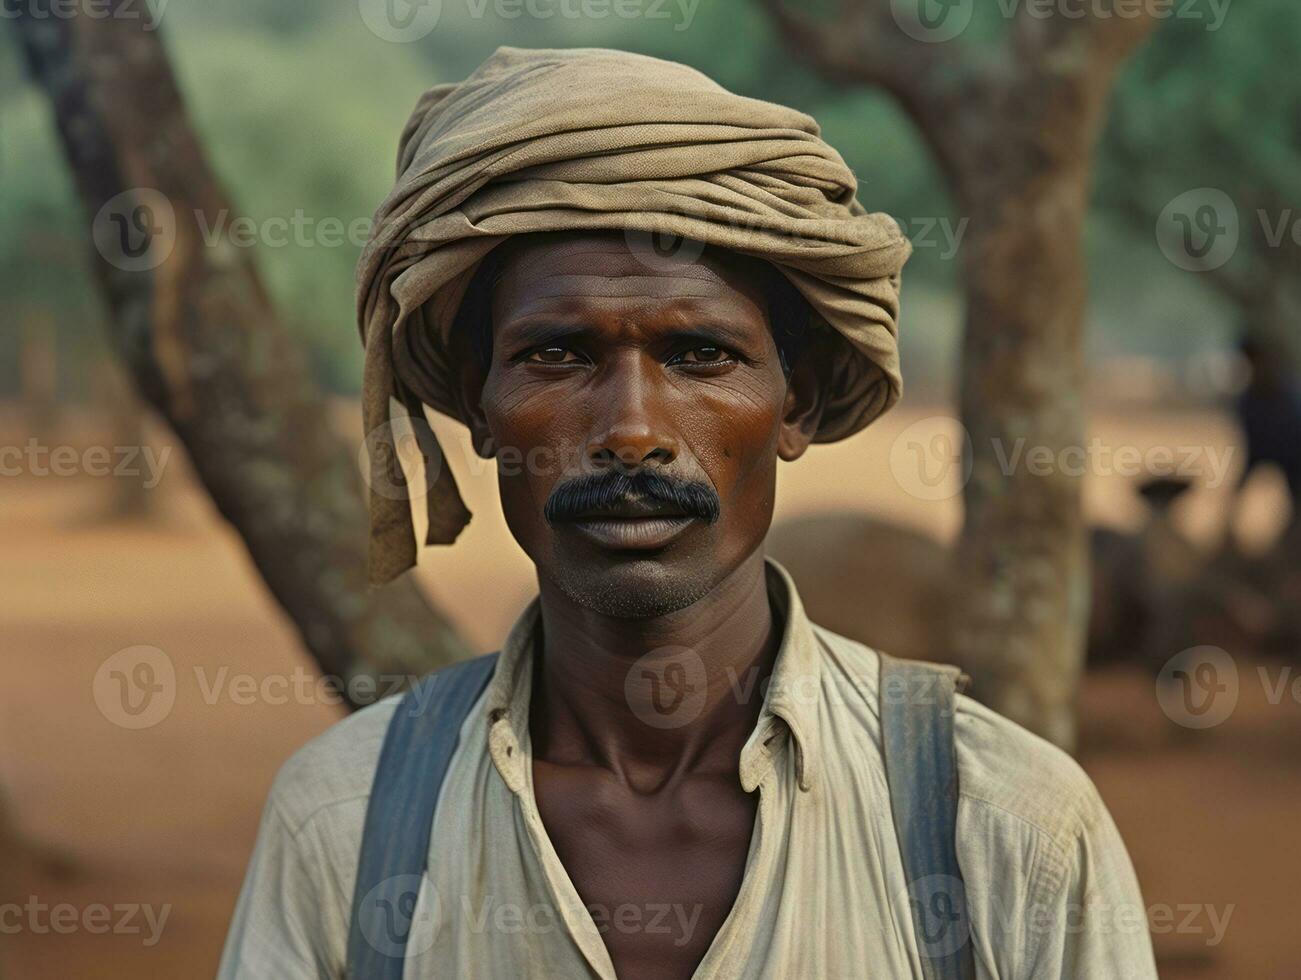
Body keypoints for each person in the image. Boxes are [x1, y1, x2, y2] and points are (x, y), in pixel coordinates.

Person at [218, 47, 1156, 980]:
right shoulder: (343, 827)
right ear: (480, 405)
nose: (631, 431)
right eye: (558, 355)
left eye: (700, 356)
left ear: (796, 407)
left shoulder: (1008, 833)